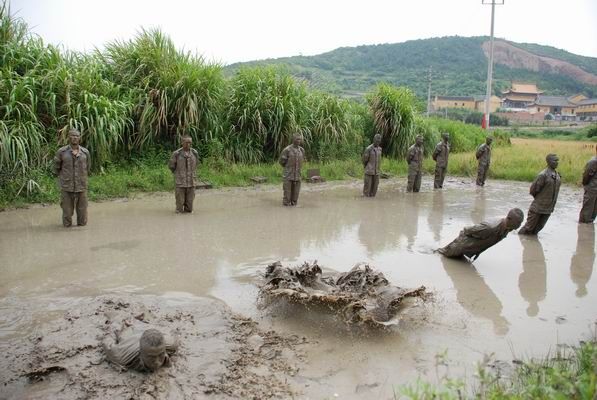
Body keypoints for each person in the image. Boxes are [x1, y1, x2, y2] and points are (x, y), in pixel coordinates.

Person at [438, 208, 524, 262]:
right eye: (517, 223)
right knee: (441, 256)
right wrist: (454, 247)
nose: (518, 226)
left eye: (520, 223)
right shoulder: (490, 227)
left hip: (468, 250)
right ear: (509, 219)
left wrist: (478, 251)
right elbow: (467, 230)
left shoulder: (508, 228)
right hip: (458, 247)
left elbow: (489, 241)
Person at [53, 128, 91, 227]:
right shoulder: (61, 152)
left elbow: (88, 167)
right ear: (68, 137)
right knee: (67, 215)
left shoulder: (85, 152)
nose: (75, 138)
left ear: (80, 138)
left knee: (83, 217)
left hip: (81, 186)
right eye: (72, 136)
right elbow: (56, 168)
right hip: (66, 186)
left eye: (77, 136)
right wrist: (62, 179)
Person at [519, 154, 561, 235]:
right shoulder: (543, 175)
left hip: (549, 208)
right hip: (537, 208)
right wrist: (540, 200)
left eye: (557, 160)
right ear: (548, 162)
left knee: (538, 229)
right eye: (555, 160)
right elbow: (533, 191)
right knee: (528, 228)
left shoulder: (557, 175)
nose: (557, 162)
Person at [103, 328, 178, 372]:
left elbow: (171, 332)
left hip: (144, 329)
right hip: (130, 338)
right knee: (120, 334)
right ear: (140, 353)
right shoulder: (120, 356)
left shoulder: (172, 344)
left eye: (161, 355)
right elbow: (106, 341)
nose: (157, 362)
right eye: (151, 357)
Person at [168, 136, 199, 213]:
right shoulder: (176, 154)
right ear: (182, 143)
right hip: (180, 181)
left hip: (191, 181)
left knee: (190, 207)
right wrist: (178, 173)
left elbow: (197, 164)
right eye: (186, 142)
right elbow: (171, 166)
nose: (188, 144)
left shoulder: (194, 153)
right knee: (179, 206)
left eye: (190, 142)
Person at [279, 134, 305, 206]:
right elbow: (281, 162)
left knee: (295, 197)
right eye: (297, 139)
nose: (299, 141)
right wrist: (288, 168)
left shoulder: (302, 150)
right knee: (287, 197)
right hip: (288, 175)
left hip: (298, 175)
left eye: (300, 139)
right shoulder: (287, 150)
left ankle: (293, 208)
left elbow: (302, 160)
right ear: (293, 140)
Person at [579, 144, 597, 223]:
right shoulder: (593, 161)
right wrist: (586, 185)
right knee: (587, 208)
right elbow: (586, 175)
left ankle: (589, 223)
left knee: (594, 209)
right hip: (592, 188)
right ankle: (583, 225)